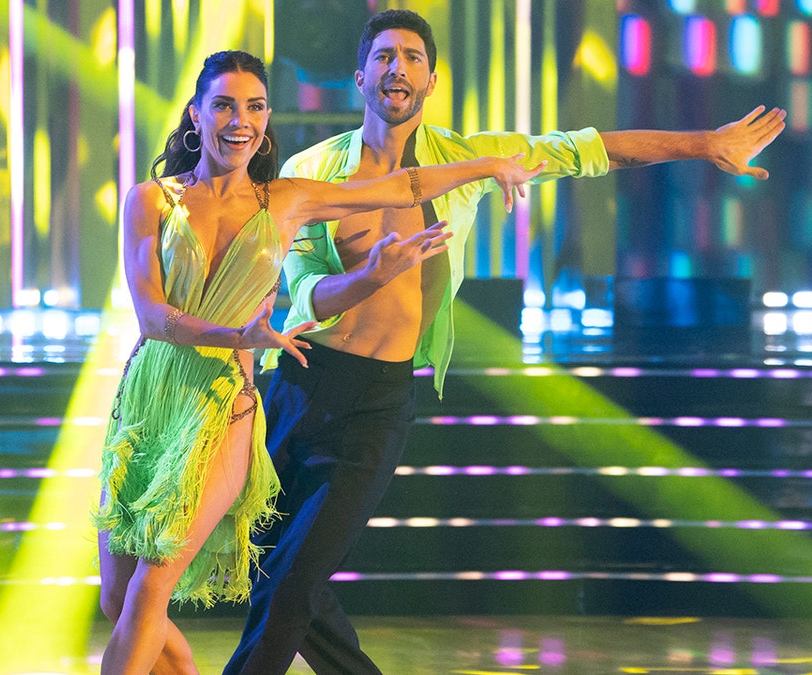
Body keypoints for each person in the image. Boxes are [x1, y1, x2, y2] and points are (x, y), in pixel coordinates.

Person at [223, 9, 787, 675]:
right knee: (278, 575)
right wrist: (369, 275)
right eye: (382, 56)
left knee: (294, 579)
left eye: (410, 56)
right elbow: (305, 293)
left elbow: (588, 148)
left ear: (431, 80)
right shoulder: (314, 168)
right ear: (359, 77)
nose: (396, 66)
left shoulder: (465, 159)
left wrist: (704, 143)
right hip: (302, 381)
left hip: (377, 399)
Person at [93, 48, 546, 675]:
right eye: (223, 104)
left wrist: (489, 164)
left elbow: (404, 185)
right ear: (196, 116)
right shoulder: (150, 200)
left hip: (221, 410)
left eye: (253, 106)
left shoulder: (285, 200)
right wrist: (238, 332)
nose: (239, 120)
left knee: (149, 588)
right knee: (118, 600)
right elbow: (151, 318)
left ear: (267, 119)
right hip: (145, 405)